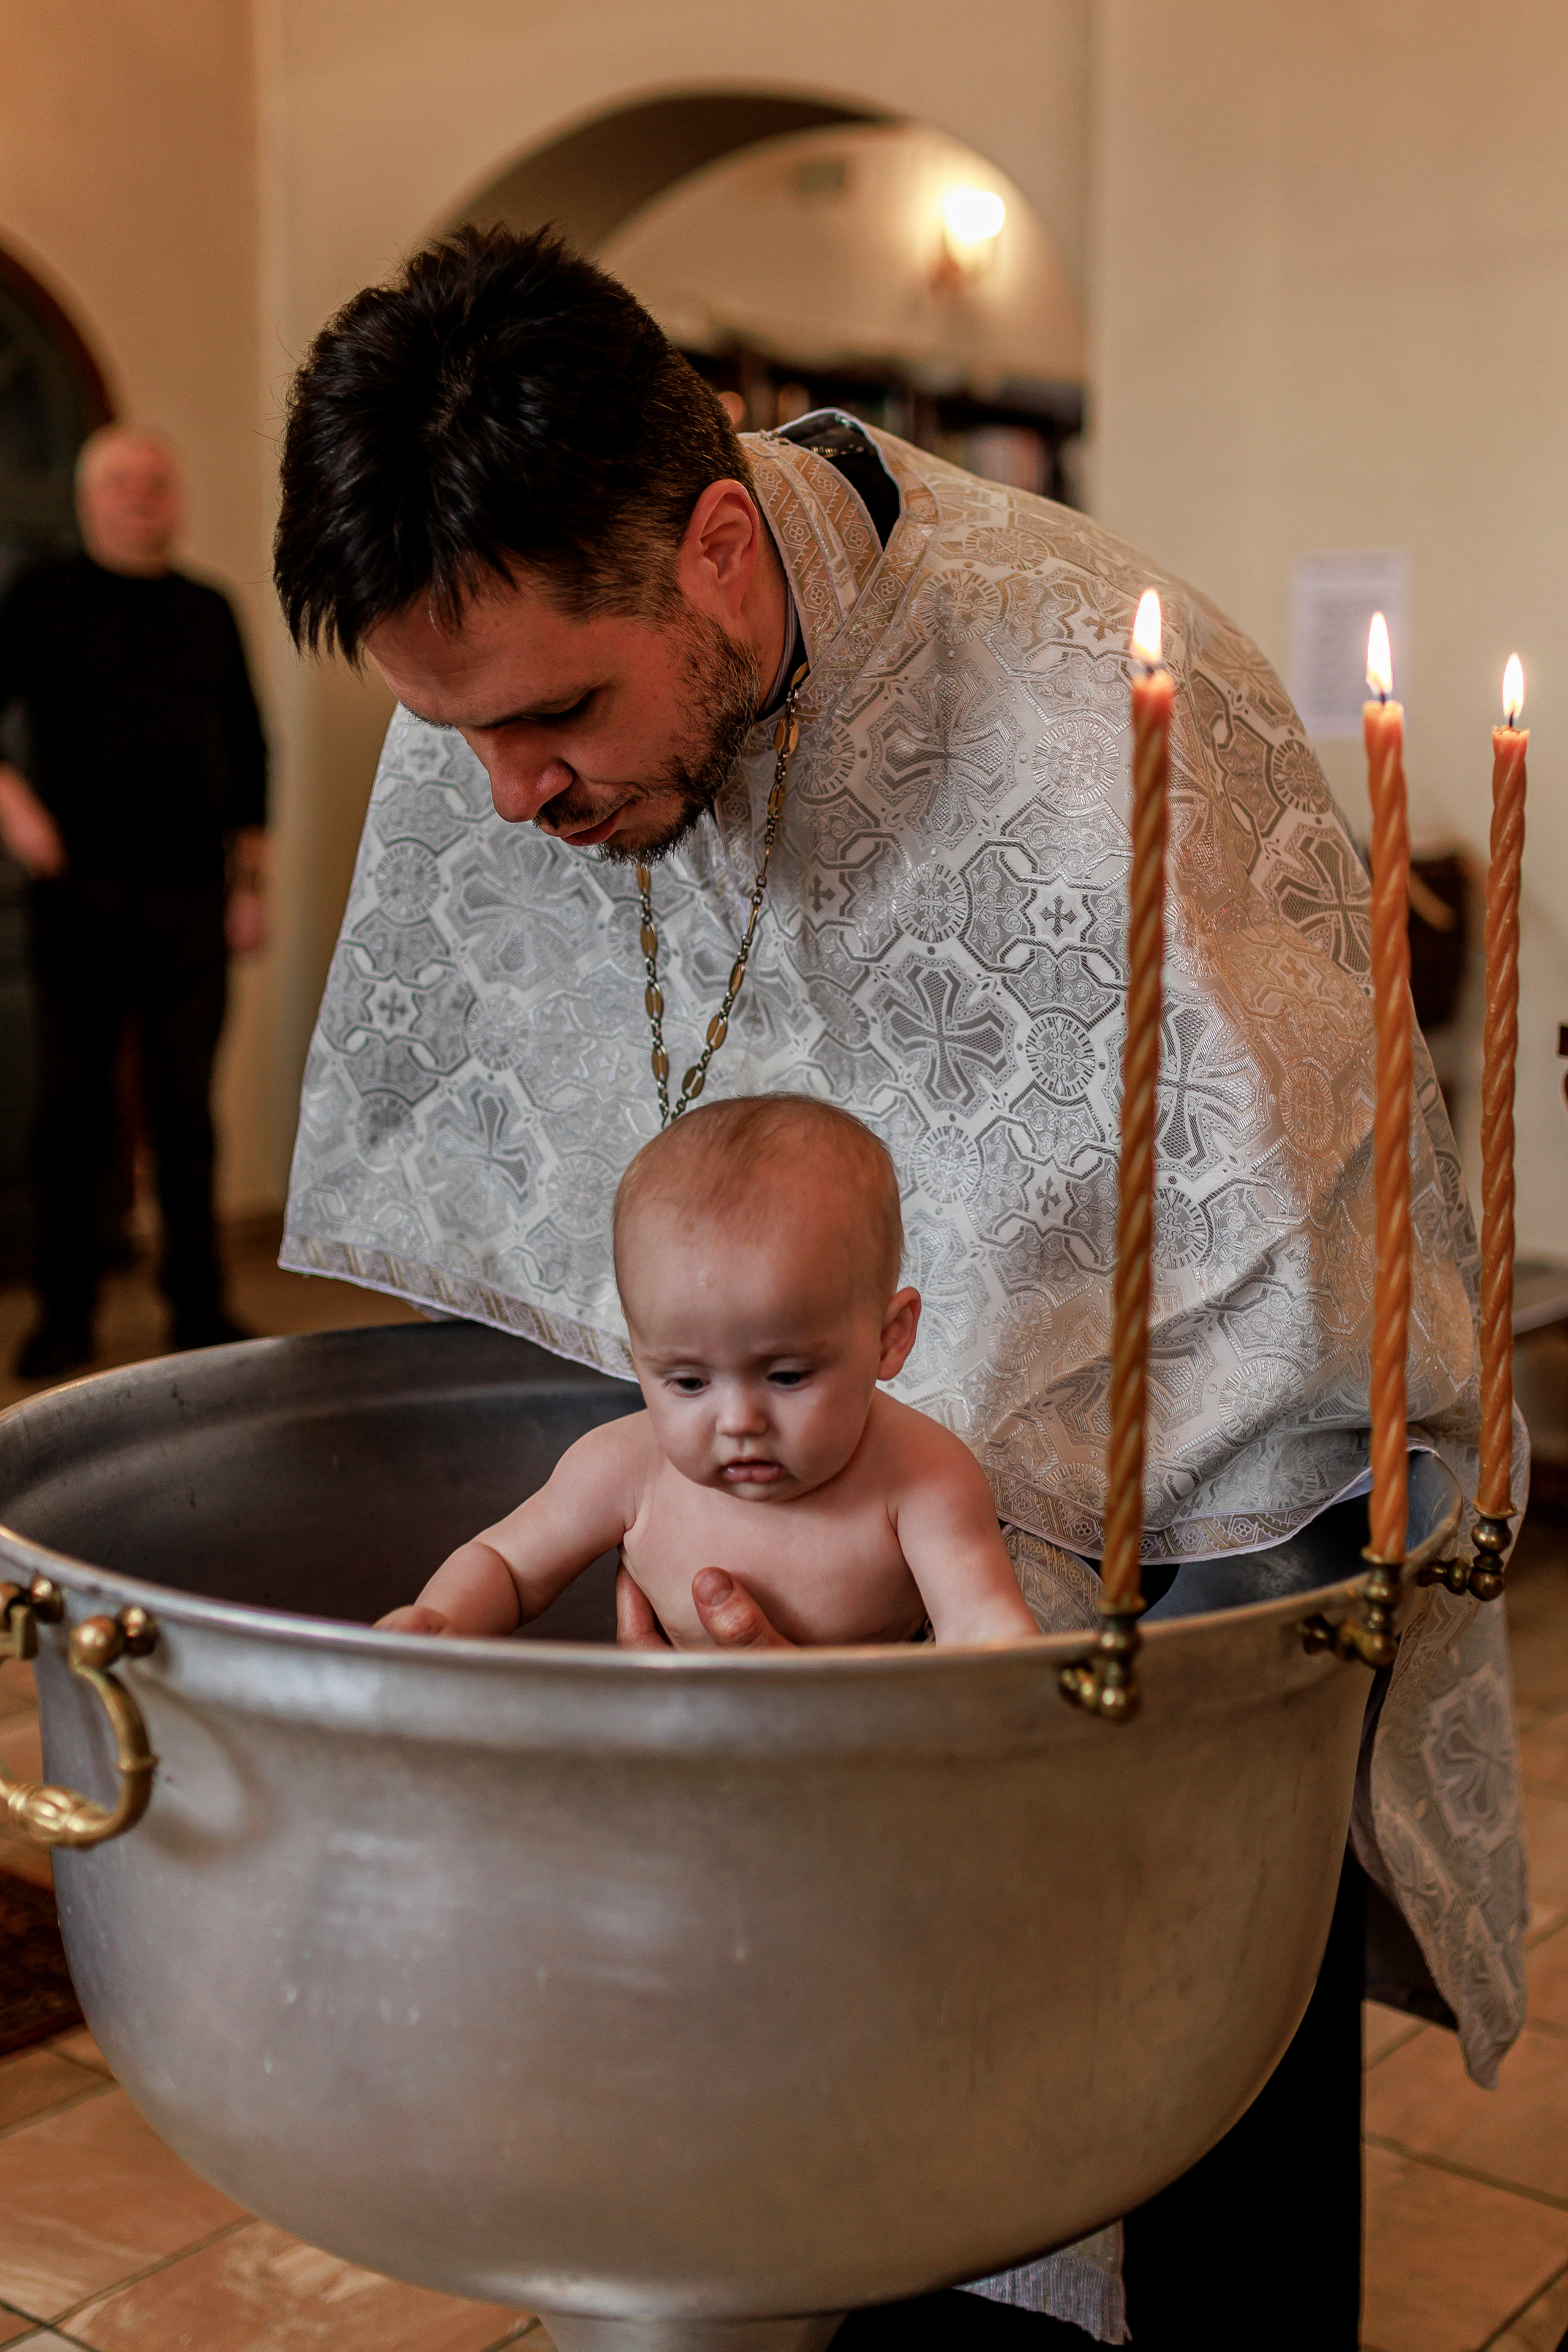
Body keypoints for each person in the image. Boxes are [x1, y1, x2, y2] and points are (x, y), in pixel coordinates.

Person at [271, 228, 1526, 2345]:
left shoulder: (1102, 699)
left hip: (1112, 1740)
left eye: (559, 715)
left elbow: (1298, 1304)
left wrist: (980, 1655)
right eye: (455, 734)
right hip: (732, 1778)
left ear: (724, 554)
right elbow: (524, 1192)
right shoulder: (492, 720)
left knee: (1167, 2222)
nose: (508, 799)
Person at [379, 1096, 1037, 1648]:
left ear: (889, 1340)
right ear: (637, 1355)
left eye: (786, 1376)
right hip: (680, 1750)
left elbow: (985, 1644)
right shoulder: (623, 1469)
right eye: (688, 1383)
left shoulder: (922, 1479)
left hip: (871, 1756)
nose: (739, 1422)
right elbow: (507, 1565)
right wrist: (446, 1620)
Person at [0, 425, 269, 1377]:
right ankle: (62, 1316)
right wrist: (17, 813)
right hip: (77, 896)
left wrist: (250, 882)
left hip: (192, 896)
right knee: (69, 1113)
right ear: (87, 499)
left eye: (155, 482)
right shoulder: (40, 596)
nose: (140, 499)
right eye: (121, 485)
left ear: (175, 498)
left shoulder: (207, 608)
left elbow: (247, 749)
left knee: (184, 1112)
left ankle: (197, 1306)